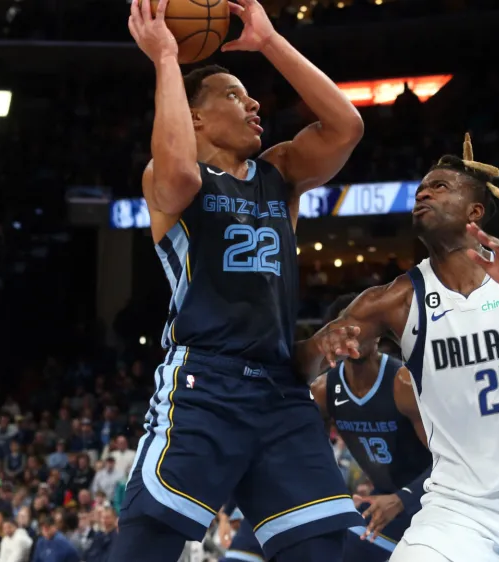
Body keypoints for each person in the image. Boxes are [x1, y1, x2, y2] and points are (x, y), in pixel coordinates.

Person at [120, 0, 366, 559]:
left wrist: (271, 41)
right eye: (233, 95)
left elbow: (347, 126)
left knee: (323, 549)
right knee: (146, 543)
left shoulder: (279, 173)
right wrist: (165, 58)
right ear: (195, 116)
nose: (254, 102)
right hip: (206, 382)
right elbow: (180, 169)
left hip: (280, 390)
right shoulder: (171, 178)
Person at [299, 135, 499, 561]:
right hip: (458, 508)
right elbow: (301, 364)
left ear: (474, 211)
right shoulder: (392, 301)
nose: (424, 192)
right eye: (422, 188)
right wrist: (317, 346)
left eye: (440, 186)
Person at [226, 293, 433, 561]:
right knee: (308, 540)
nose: (354, 339)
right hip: (378, 503)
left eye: (362, 330)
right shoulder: (324, 391)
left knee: (347, 549)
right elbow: (287, 453)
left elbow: (447, 461)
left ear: (378, 335)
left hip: (426, 500)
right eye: (346, 332)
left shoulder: (402, 383)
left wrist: (403, 498)